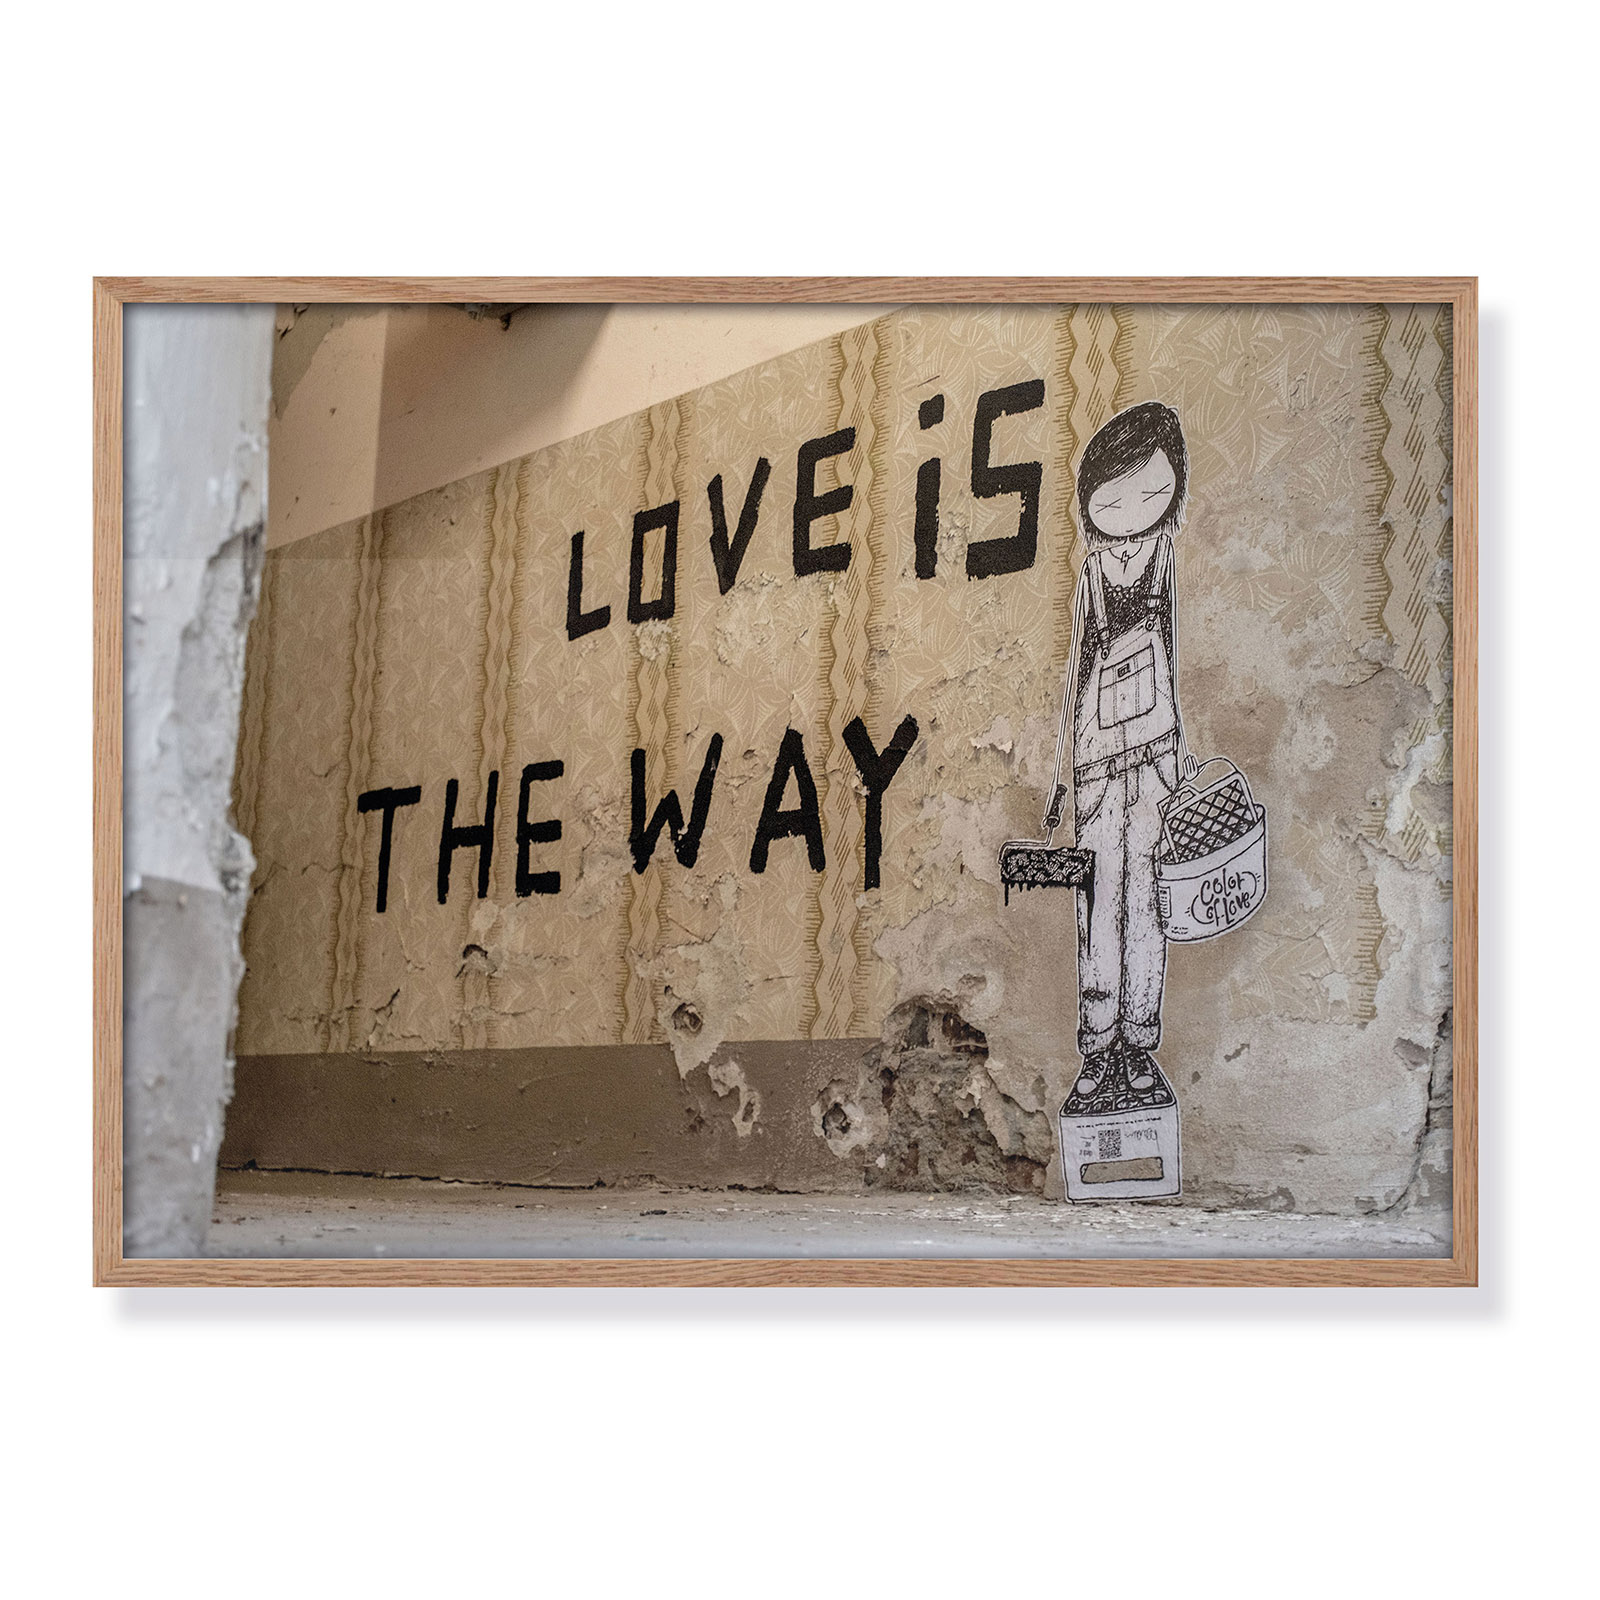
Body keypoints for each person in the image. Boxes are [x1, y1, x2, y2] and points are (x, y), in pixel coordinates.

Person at [1042, 401, 1198, 1099]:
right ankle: (1098, 1043)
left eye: (1150, 491)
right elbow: (1074, 674)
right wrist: (1058, 773)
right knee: (1098, 903)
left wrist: (1182, 751)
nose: (1131, 513)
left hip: (1157, 753)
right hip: (1097, 763)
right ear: (1092, 503)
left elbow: (1178, 655)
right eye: (1114, 497)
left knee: (1150, 903)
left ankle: (1139, 1038)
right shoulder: (1091, 576)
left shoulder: (1166, 561)